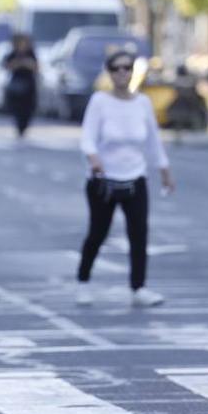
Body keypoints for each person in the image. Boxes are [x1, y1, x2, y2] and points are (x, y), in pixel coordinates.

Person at [76, 49, 175, 308]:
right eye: (116, 69)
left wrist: (164, 171)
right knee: (98, 233)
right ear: (109, 73)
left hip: (135, 177)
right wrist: (93, 158)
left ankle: (138, 287)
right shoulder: (100, 101)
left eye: (127, 68)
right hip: (104, 180)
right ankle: (83, 281)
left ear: (133, 72)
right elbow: (87, 136)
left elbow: (153, 140)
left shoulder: (142, 103)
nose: (122, 73)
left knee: (139, 234)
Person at [3, 32, 38, 140]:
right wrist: (20, 63)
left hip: (29, 84)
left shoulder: (31, 53)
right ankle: (19, 128)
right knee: (17, 108)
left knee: (27, 108)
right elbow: (8, 65)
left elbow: (35, 66)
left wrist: (26, 64)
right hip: (16, 84)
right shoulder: (13, 53)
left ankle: (24, 128)